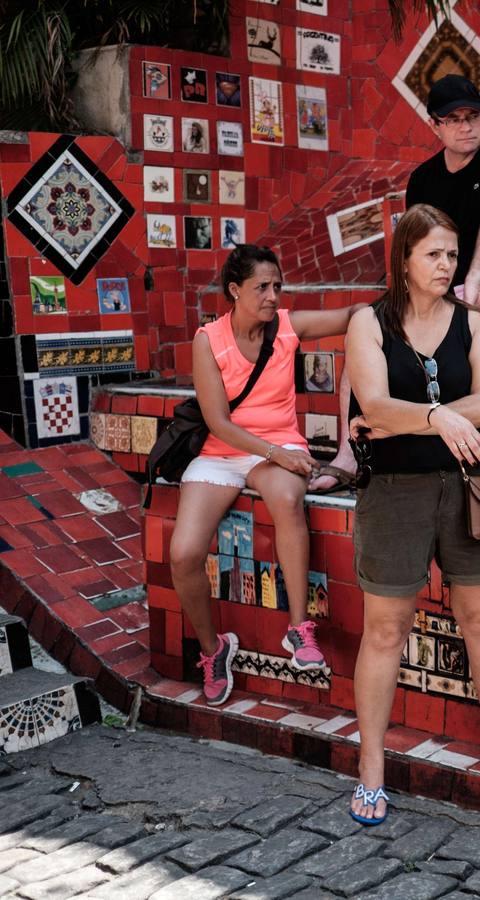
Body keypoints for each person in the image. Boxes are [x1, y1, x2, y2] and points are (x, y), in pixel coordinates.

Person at [344, 204, 480, 825]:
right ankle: (371, 767)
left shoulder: (472, 323)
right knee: (386, 630)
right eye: (434, 254)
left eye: (452, 254)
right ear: (403, 259)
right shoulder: (368, 322)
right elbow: (371, 401)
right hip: (392, 491)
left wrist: (411, 417)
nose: (446, 265)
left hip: (469, 487)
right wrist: (440, 415)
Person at [311, 74, 480, 491]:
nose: (466, 126)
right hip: (436, 288)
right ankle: (348, 455)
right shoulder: (423, 179)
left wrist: (472, 283)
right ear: (435, 125)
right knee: (368, 335)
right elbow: (416, 247)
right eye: (454, 119)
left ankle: (478, 460)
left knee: (479, 335)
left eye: (473, 116)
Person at [169, 245, 369, 707]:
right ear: (234, 290)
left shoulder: (287, 327)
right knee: (182, 553)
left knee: (286, 501)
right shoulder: (209, 340)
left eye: (278, 286)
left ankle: (299, 629)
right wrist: (275, 452)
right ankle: (211, 649)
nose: (273, 296)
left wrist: (372, 323)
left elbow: (353, 313)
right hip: (225, 452)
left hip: (276, 451)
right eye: (262, 287)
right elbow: (218, 422)